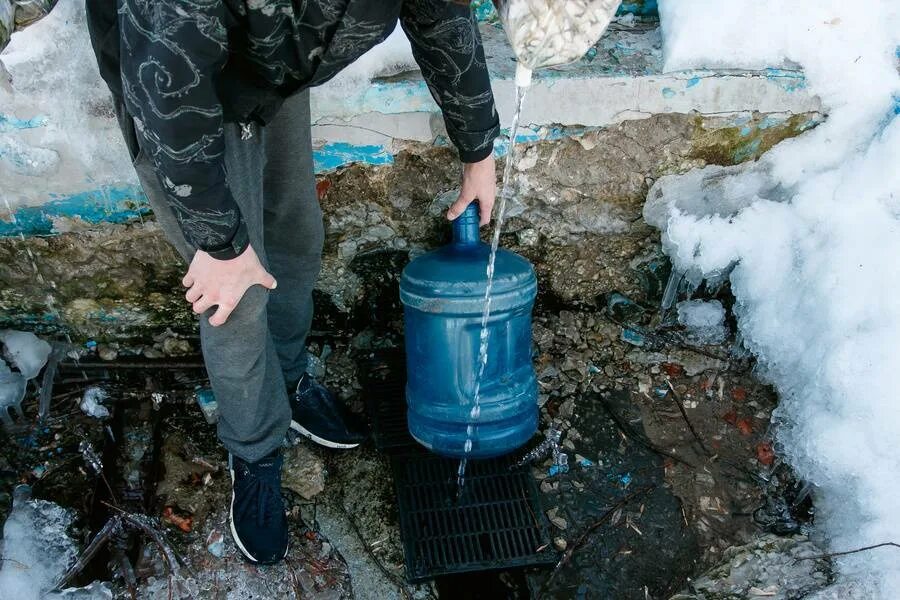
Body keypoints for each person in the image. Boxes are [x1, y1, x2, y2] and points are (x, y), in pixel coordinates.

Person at [84, 0, 499, 564]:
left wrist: (478, 149)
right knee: (238, 297)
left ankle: (287, 379)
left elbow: (438, 13)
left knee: (297, 236)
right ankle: (254, 449)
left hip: (272, 58)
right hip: (180, 87)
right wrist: (219, 243)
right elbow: (168, 89)